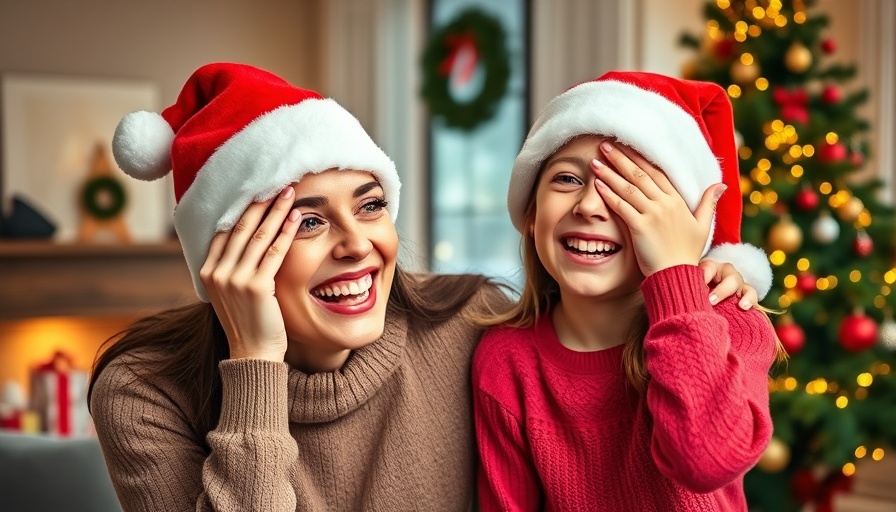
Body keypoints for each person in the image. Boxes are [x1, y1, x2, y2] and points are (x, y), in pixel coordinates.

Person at [88, 63, 758, 512]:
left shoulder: (469, 323)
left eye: (371, 204)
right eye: (307, 219)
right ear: (225, 252)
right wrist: (256, 365)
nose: (356, 243)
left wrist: (689, 281)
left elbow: (699, 443)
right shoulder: (144, 392)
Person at [472, 71, 779, 511]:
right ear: (531, 213)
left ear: (683, 227)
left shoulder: (730, 318)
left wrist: (675, 270)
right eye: (567, 179)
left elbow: (707, 460)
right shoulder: (506, 360)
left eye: (630, 189)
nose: (591, 205)